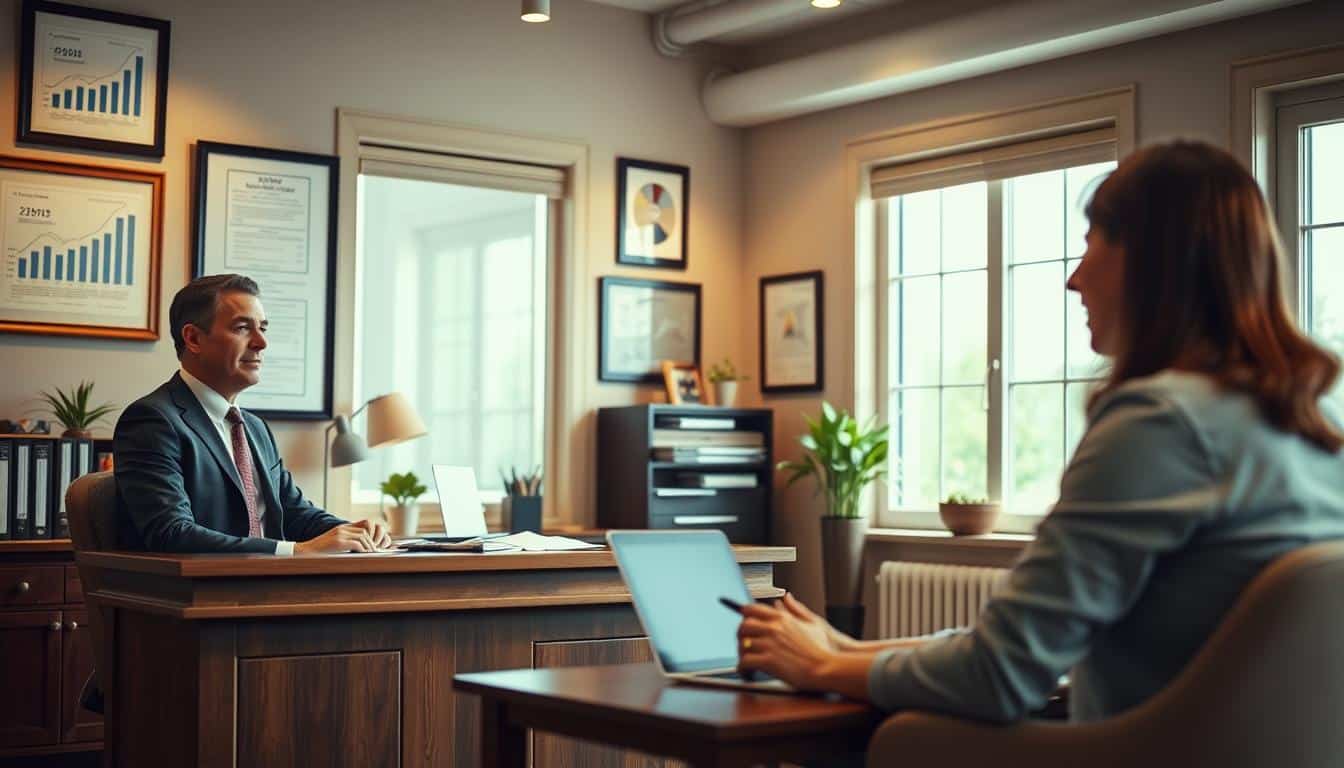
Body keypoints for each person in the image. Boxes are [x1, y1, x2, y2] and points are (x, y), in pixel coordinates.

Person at [738, 140, 1344, 723]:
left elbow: (999, 676)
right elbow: (1023, 652)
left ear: (1148, 260)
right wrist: (842, 650)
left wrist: (821, 667)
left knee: (900, 739)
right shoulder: (1319, 420)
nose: (1073, 279)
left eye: (1089, 245)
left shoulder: (1161, 422)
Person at [115, 274, 391, 554]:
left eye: (263, 328)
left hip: (271, 587)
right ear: (194, 338)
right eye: (243, 328)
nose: (261, 343)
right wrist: (294, 552)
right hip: (208, 591)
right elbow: (171, 533)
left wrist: (355, 533)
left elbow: (293, 512)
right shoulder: (152, 420)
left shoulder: (255, 428)